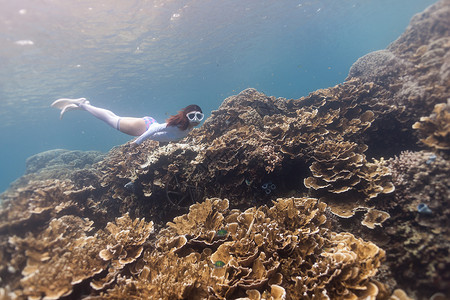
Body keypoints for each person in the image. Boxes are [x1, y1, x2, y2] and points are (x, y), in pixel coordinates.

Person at [51, 98, 204, 144]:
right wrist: (138, 141)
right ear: (185, 116)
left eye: (199, 117)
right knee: (112, 120)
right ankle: (81, 103)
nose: (195, 120)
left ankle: (83, 106)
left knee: (113, 117)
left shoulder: (188, 128)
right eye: (192, 116)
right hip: (145, 127)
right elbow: (154, 130)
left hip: (148, 123)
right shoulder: (179, 125)